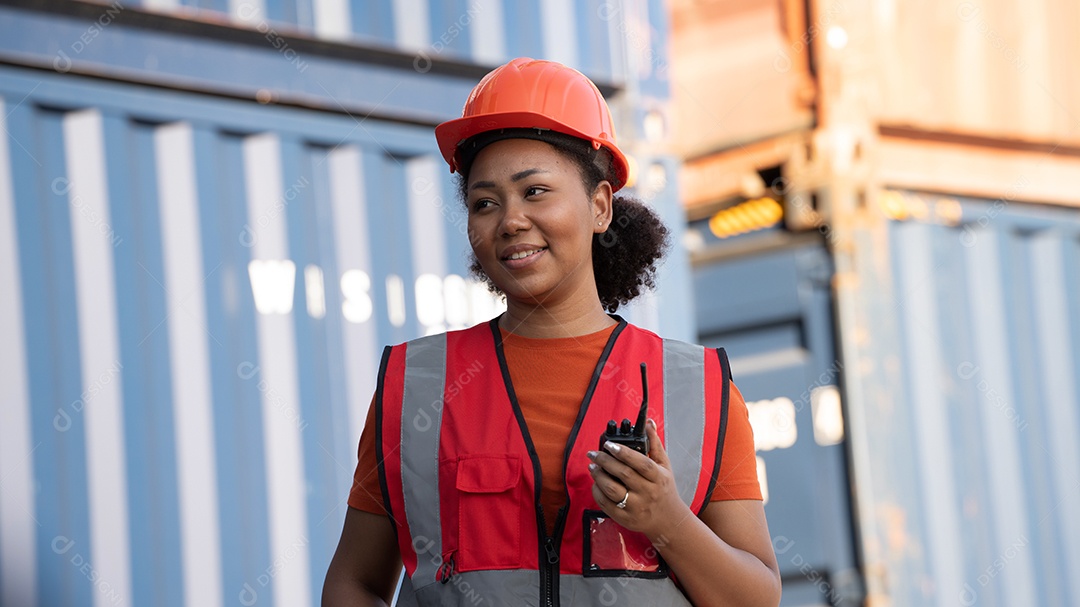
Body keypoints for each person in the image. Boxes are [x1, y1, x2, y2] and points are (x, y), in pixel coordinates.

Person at [322, 57, 781, 607]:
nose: (510, 220)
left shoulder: (698, 391)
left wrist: (668, 522)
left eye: (534, 191)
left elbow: (756, 599)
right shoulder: (415, 388)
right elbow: (354, 584)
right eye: (484, 202)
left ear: (600, 205)